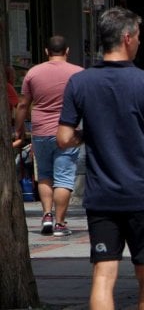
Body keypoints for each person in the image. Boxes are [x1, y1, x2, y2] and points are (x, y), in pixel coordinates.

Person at [56, 7, 144, 309]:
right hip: (142, 194)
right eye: (138, 36)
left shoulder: (80, 82)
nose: (140, 42)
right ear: (127, 38)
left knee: (103, 273)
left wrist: (87, 135)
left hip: (101, 197)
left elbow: (62, 139)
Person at [13, 36, 83, 236]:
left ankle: (46, 216)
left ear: (46, 51)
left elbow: (23, 104)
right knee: (64, 178)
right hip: (68, 131)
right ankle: (60, 224)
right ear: (67, 51)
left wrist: (18, 128)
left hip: (41, 131)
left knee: (44, 175)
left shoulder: (33, 73)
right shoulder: (78, 73)